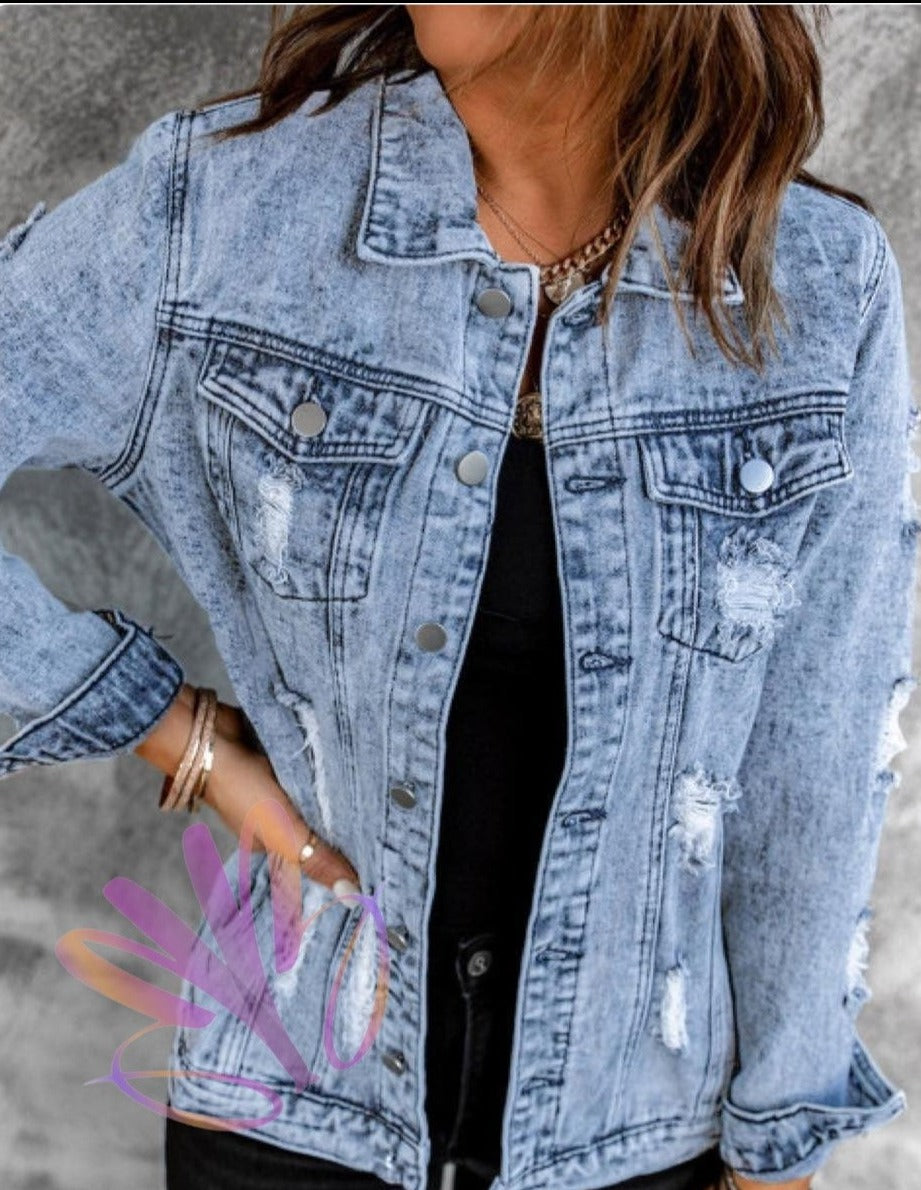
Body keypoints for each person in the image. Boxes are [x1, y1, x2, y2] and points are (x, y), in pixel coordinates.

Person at [0, 6, 917, 1190]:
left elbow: (814, 770)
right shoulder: (226, 213)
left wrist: (780, 1146)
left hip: (640, 1141)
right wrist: (185, 740)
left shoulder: (820, 286)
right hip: (290, 1118)